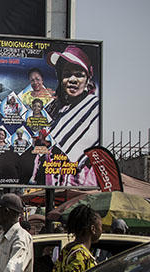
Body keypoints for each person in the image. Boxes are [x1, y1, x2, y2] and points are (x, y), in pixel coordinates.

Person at [45, 45, 100, 184]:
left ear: (88, 78)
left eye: (79, 74)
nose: (72, 79)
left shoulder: (94, 107)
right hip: (58, 184)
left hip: (82, 186)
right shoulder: (58, 112)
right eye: (67, 74)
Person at [51, 205, 103, 272]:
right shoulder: (79, 255)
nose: (101, 230)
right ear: (93, 229)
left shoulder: (67, 249)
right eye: (100, 226)